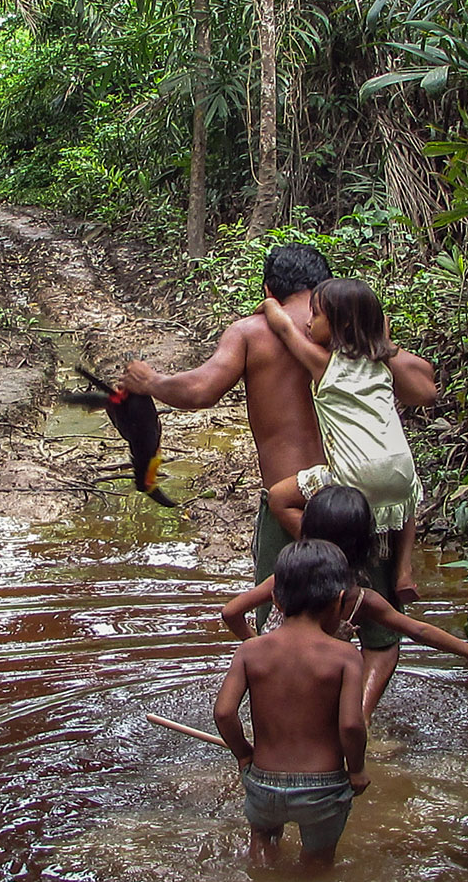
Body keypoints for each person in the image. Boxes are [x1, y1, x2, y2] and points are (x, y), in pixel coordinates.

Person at [122, 244, 437, 716]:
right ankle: (359, 724)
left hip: (298, 509)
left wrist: (152, 382)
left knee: (283, 628)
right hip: (364, 507)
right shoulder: (352, 337)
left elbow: (201, 390)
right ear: (326, 288)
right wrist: (380, 347)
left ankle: (284, 729)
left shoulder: (252, 333)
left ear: (269, 289)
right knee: (381, 634)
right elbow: (425, 388)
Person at [221, 486, 468, 722]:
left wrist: (255, 642)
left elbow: (230, 612)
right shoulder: (358, 599)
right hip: (316, 692)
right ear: (366, 544)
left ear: (306, 530)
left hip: (273, 687)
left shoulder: (284, 577)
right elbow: (417, 631)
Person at [260, 277, 420, 605]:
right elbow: (382, 328)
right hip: (402, 469)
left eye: (315, 316)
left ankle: (336, 564)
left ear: (341, 324)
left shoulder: (326, 365)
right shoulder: (382, 362)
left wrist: (269, 305)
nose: (307, 322)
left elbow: (284, 330)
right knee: (407, 502)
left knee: (278, 499)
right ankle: (404, 571)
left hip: (354, 475)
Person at [212, 539, 369, 868]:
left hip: (263, 782)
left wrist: (243, 753)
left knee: (263, 844)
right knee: (318, 865)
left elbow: (224, 712)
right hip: (322, 787)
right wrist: (355, 770)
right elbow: (351, 725)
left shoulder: (250, 651)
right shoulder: (345, 656)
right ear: (340, 601)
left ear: (275, 600)